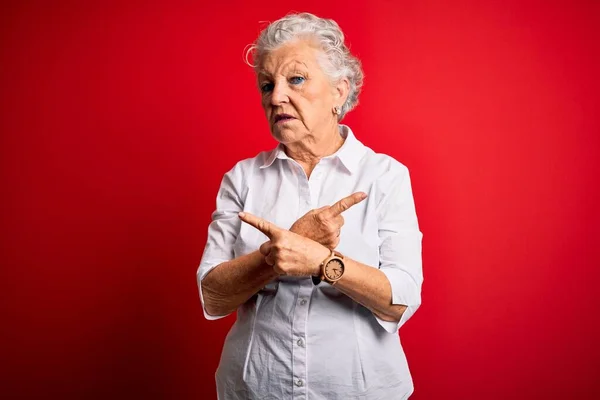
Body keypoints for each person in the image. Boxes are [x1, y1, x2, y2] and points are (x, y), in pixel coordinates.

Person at [197, 12, 423, 400]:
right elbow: (213, 296)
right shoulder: (242, 178)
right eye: (267, 85)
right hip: (254, 389)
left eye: (295, 79)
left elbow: (400, 300)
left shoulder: (385, 176)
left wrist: (321, 261)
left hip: (360, 391)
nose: (276, 96)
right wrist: (276, 254)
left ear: (339, 92)